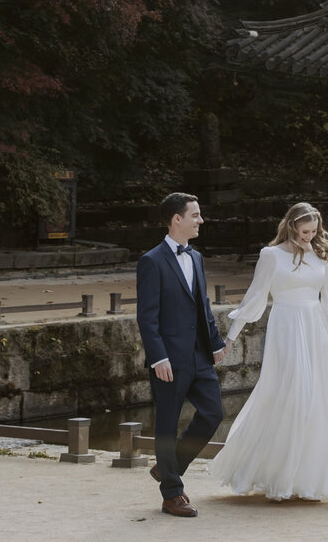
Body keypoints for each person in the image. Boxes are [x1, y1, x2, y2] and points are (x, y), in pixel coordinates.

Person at [208, 202, 328, 500]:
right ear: (291, 227)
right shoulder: (271, 256)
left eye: (314, 231)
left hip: (317, 328)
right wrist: (231, 338)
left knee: (318, 396)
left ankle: (308, 477)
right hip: (286, 327)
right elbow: (254, 299)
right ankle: (277, 474)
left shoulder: (320, 255)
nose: (309, 237)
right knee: (291, 392)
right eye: (304, 231)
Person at [136, 192, 228, 518]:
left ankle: (168, 467)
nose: (200, 220)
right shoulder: (151, 261)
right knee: (166, 425)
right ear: (177, 219)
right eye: (195, 215)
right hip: (169, 361)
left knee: (213, 413)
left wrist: (215, 343)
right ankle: (171, 494)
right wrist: (158, 357)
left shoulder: (197, 258)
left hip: (199, 356)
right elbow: (147, 316)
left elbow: (202, 306)